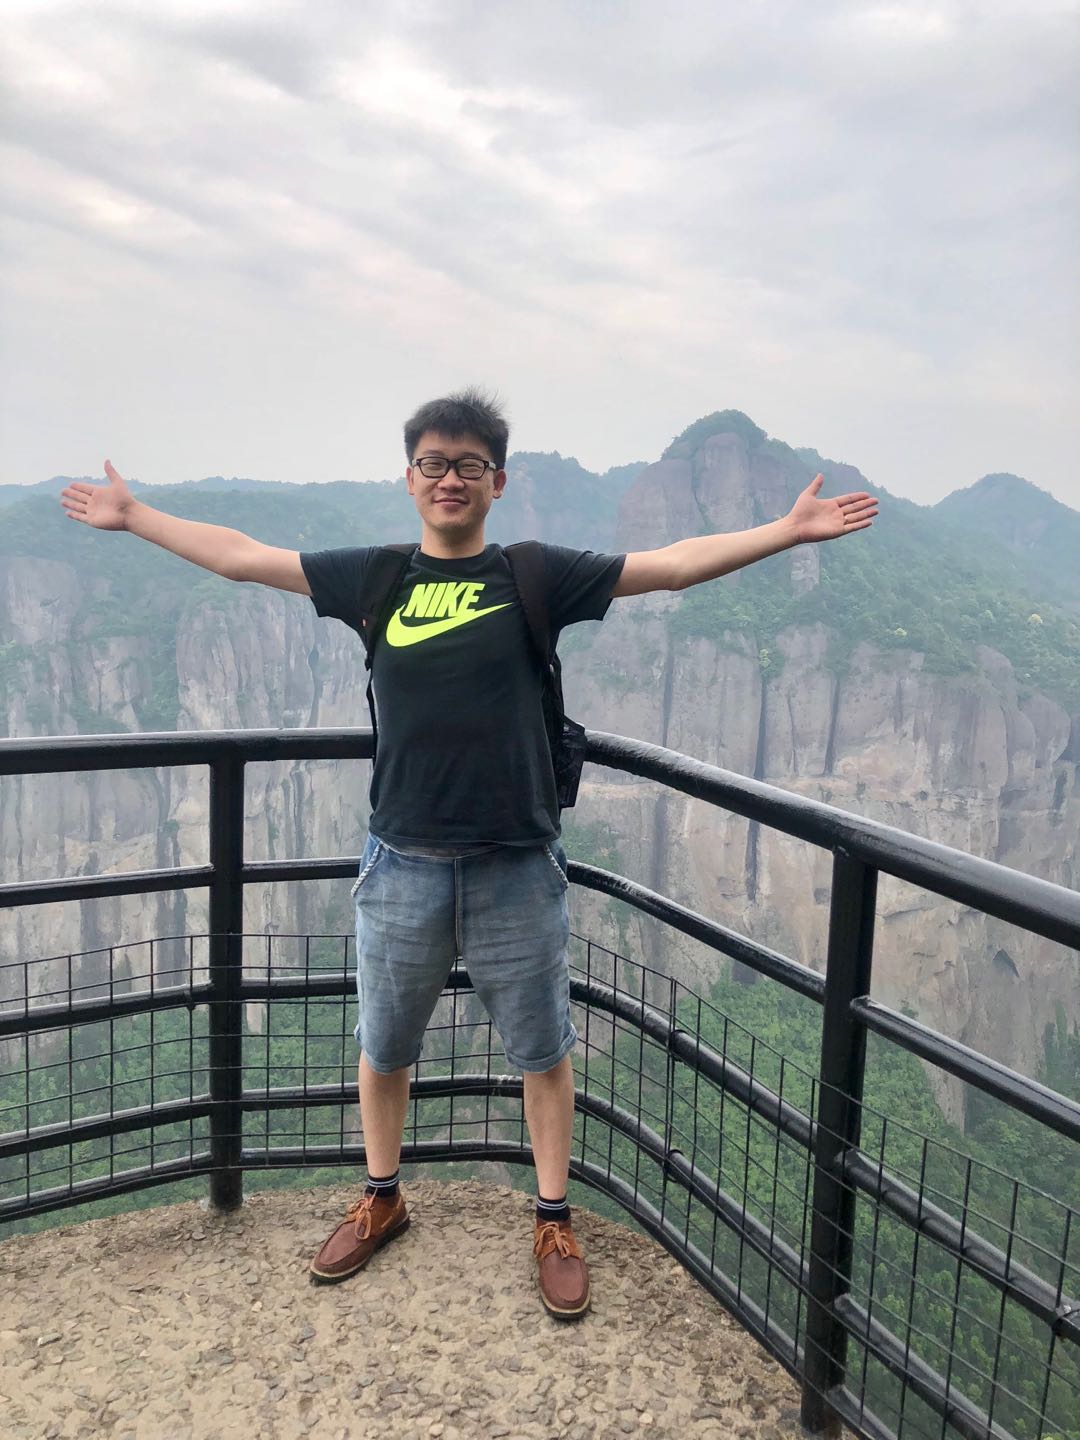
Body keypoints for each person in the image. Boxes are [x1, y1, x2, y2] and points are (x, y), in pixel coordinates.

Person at [60, 388, 877, 1319]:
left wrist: (785, 531)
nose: (451, 479)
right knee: (383, 1047)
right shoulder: (375, 577)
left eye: (469, 465)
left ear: (497, 482)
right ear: (410, 477)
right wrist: (136, 516)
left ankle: (553, 1217)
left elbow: (670, 567)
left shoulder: (535, 574)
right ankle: (382, 1197)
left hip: (516, 864)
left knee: (543, 1051)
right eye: (434, 464)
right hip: (401, 860)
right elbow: (244, 558)